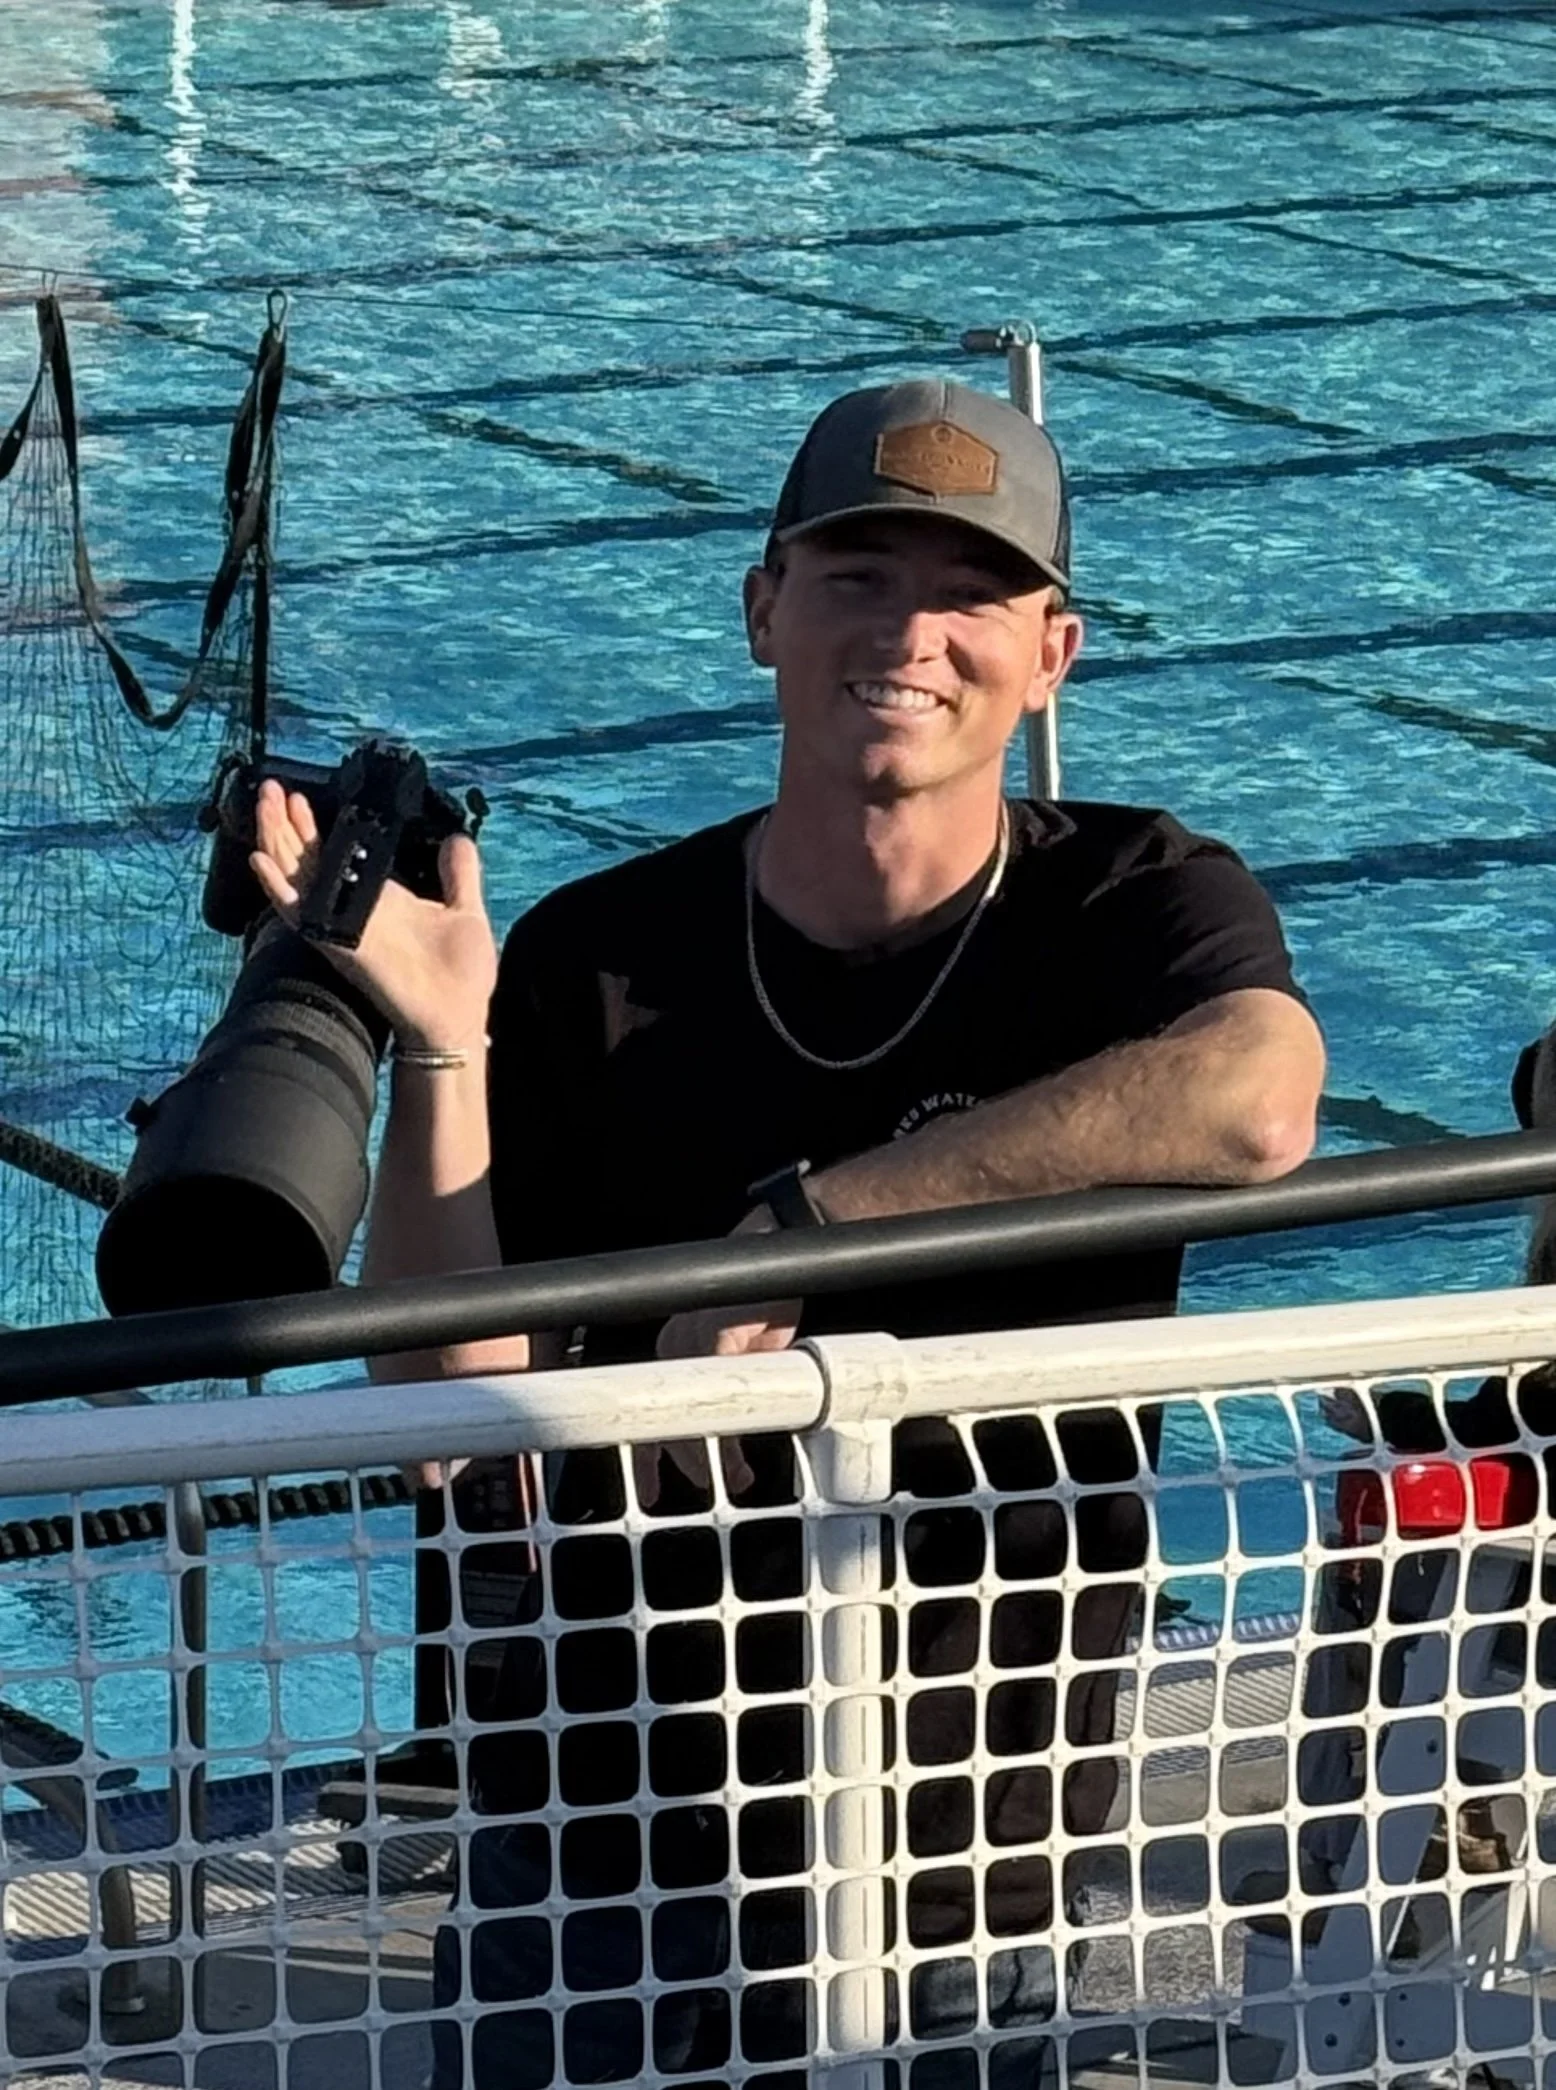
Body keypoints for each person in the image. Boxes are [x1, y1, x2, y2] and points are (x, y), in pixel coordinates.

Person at [250, 376, 1326, 2079]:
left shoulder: (1132, 904)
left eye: (968, 591)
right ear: (763, 611)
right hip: (599, 1828)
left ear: (1054, 652)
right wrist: (446, 1044)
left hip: (966, 1840)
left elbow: (1260, 1098)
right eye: (854, 575)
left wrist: (805, 1235)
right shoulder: (604, 953)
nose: (909, 631)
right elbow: (451, 1403)